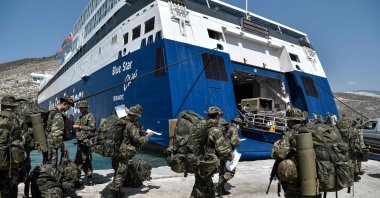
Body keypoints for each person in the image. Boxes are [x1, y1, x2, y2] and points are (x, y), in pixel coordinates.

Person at [108, 104, 154, 198]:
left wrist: (128, 111)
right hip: (124, 151)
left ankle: (116, 190)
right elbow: (138, 140)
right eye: (137, 115)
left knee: (117, 170)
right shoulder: (131, 126)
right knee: (121, 172)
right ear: (135, 115)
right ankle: (114, 193)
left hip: (115, 149)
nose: (137, 117)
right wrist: (148, 136)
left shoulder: (122, 120)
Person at [190, 106, 233, 198]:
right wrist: (231, 154)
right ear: (217, 116)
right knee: (203, 187)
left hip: (194, 160)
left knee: (201, 185)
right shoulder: (215, 130)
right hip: (205, 164)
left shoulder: (199, 124)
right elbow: (223, 151)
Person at [272, 107, 309, 198]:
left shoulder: (289, 134)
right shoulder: (310, 131)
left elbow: (281, 154)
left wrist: (275, 146)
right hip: (311, 173)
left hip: (296, 175)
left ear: (291, 121)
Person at [0, 95, 25, 198]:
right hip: (12, 161)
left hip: (2, 158)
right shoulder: (17, 119)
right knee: (11, 186)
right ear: (13, 107)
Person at [44, 95, 73, 168]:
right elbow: (57, 134)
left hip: (48, 143)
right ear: (64, 104)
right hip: (53, 145)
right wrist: (63, 146)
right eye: (68, 107)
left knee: (47, 165)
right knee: (52, 167)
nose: (68, 109)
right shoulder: (57, 114)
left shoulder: (52, 111)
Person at [216, 117, 242, 196]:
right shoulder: (233, 129)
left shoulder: (225, 128)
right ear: (238, 123)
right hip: (228, 152)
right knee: (231, 171)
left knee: (222, 171)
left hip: (221, 151)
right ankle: (220, 185)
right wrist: (238, 142)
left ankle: (221, 190)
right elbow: (234, 142)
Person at [73, 100, 96, 186]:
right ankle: (89, 177)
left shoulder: (90, 117)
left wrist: (79, 127)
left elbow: (92, 128)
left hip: (86, 142)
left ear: (86, 108)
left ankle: (76, 179)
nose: (80, 109)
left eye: (82, 108)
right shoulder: (80, 117)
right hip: (80, 141)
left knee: (79, 161)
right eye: (80, 108)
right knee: (86, 160)